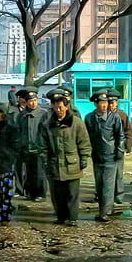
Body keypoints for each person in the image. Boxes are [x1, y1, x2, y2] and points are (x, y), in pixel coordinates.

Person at [40, 90, 91, 226]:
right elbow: (43, 145)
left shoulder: (76, 123)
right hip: (54, 164)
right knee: (57, 195)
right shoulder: (49, 124)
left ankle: (72, 218)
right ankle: (61, 217)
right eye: (56, 107)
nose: (59, 110)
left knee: (72, 194)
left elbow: (84, 142)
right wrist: (44, 160)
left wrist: (84, 157)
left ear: (67, 107)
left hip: (72, 163)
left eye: (61, 107)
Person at [84, 89, 125, 223]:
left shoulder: (114, 117)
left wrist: (119, 150)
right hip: (97, 155)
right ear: (96, 104)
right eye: (102, 103)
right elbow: (87, 136)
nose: (104, 105)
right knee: (99, 185)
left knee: (108, 185)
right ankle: (103, 209)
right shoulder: (90, 118)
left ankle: (105, 213)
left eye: (106, 103)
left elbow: (120, 135)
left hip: (111, 155)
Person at [14, 86, 47, 202]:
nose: (33, 103)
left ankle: (40, 193)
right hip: (25, 148)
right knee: (29, 172)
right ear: (26, 102)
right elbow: (18, 131)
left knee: (39, 173)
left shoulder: (43, 114)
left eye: (35, 100)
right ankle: (30, 192)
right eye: (30, 101)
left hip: (38, 148)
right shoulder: (21, 116)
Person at [107, 89, 132, 204]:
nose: (111, 105)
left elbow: (128, 131)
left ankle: (119, 195)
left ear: (117, 103)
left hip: (118, 147)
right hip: (106, 148)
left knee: (118, 173)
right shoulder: (103, 114)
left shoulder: (121, 115)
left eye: (113, 102)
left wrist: (128, 145)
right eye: (109, 102)